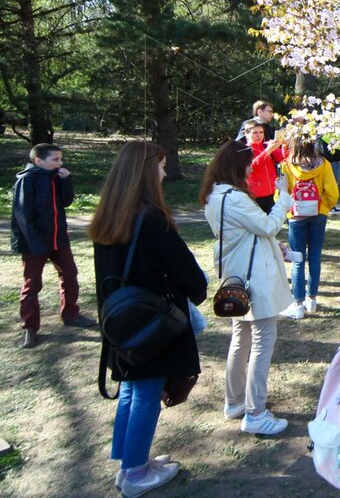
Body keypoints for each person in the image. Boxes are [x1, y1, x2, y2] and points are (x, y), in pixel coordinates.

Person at [90, 141, 207, 498]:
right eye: (159, 166)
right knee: (144, 392)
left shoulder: (108, 215)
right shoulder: (152, 221)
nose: (164, 172)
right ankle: (136, 472)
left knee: (131, 387)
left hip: (121, 320)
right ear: (144, 173)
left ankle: (129, 464)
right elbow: (191, 279)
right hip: (151, 323)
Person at [201, 140, 295, 436]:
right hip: (254, 278)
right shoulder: (234, 197)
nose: (250, 170)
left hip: (236, 275)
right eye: (248, 165)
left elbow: (248, 233)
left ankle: (235, 401)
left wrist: (271, 243)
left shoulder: (213, 196)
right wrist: (284, 198)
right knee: (262, 341)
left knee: (240, 339)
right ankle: (255, 412)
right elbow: (267, 226)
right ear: (235, 166)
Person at [11, 143, 96, 349]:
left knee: (70, 274)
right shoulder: (27, 180)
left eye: (61, 159)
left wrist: (67, 180)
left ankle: (70, 314)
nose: (60, 163)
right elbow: (22, 216)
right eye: (55, 160)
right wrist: (35, 244)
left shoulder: (56, 177)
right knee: (32, 284)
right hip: (34, 243)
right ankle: (29, 327)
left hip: (59, 239)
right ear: (39, 161)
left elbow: (66, 202)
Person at [280, 135, 340, 318]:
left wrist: (287, 210)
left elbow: (281, 191)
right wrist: (324, 208)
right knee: (315, 256)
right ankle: (312, 299)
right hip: (318, 213)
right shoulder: (324, 164)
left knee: (298, 258)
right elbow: (332, 192)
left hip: (296, 215)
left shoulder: (287, 165)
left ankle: (297, 303)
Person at [241, 119, 286, 212]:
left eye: (261, 132)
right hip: (255, 196)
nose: (259, 135)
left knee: (273, 224)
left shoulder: (266, 146)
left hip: (272, 193)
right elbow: (252, 167)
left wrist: (286, 145)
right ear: (246, 134)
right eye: (255, 133)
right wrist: (268, 151)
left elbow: (283, 159)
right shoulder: (244, 150)